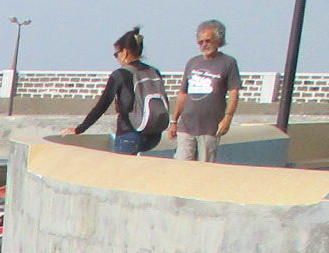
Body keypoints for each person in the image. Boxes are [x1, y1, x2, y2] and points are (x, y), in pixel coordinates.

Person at [67, 27, 169, 155]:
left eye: (117, 54)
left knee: (121, 167)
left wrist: (79, 129)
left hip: (129, 135)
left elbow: (102, 106)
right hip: (154, 136)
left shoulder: (120, 74)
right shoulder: (153, 72)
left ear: (125, 53)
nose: (117, 58)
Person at [169, 19, 241, 162]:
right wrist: (174, 120)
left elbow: (234, 91)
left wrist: (228, 118)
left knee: (205, 167)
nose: (204, 45)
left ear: (218, 40)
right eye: (200, 42)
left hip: (210, 127)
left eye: (208, 41)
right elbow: (183, 93)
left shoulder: (228, 62)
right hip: (187, 125)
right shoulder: (192, 62)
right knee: (182, 165)